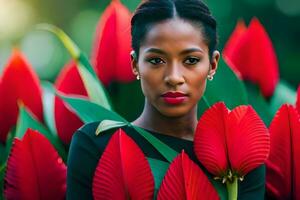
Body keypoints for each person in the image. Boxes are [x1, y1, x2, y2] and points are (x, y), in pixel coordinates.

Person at [67, 0, 265, 199]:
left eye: (191, 60)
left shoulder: (240, 150)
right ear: (135, 64)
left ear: (213, 65)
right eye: (156, 60)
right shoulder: (95, 144)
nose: (174, 77)